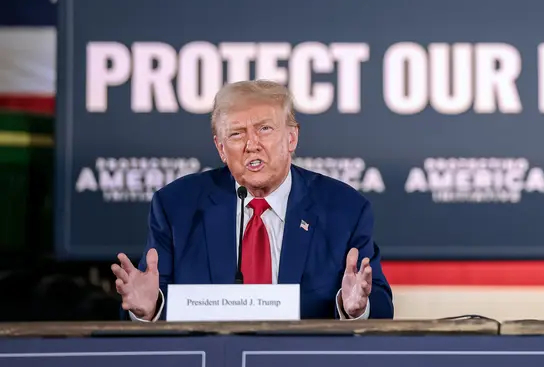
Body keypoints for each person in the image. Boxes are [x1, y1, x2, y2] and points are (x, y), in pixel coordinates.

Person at [111, 79, 394, 321]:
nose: (251, 144)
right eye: (236, 134)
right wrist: (150, 310)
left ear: (291, 138)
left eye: (264, 129)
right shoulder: (177, 207)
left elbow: (380, 305)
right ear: (221, 148)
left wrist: (355, 308)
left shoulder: (344, 209)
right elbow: (146, 299)